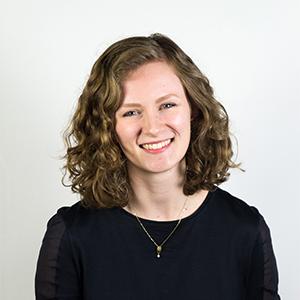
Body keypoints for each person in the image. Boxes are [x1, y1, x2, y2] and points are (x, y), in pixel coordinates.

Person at [35, 33, 281, 299]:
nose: (152, 127)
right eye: (130, 112)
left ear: (194, 110)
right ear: (107, 127)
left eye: (167, 105)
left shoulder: (245, 230)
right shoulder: (70, 236)